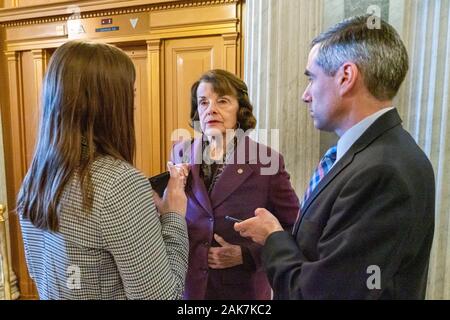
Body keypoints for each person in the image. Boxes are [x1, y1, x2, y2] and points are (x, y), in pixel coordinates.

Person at [235, 16, 435, 299]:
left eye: (312, 78)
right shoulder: (379, 152)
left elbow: (318, 294)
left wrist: (272, 237)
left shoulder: (381, 172)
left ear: (345, 77)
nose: (305, 95)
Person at [17, 41, 189, 300]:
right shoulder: (120, 184)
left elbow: (41, 271)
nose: (133, 106)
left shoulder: (36, 177)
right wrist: (173, 215)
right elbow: (162, 297)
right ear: (110, 105)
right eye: (130, 95)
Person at [171, 69, 299, 300]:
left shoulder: (266, 161)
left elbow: (294, 228)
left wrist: (246, 254)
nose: (211, 109)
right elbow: (172, 212)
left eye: (222, 100)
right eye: (203, 102)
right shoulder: (181, 151)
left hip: (241, 291)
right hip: (189, 289)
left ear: (240, 109)